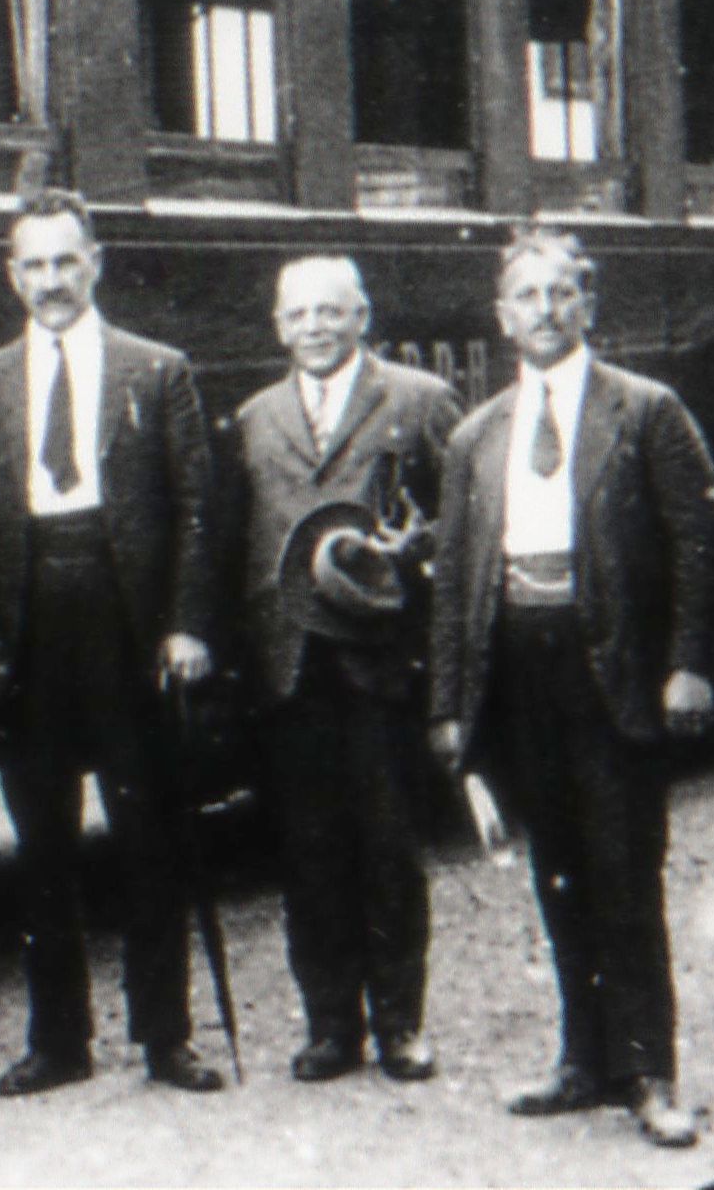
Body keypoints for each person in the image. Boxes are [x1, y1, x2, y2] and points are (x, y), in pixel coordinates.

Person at [426, 232, 714, 1149]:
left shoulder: (646, 410)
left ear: (588, 306)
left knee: (623, 872)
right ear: (501, 315)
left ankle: (648, 1072)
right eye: (527, 295)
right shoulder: (478, 435)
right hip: (520, 669)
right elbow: (453, 577)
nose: (545, 310)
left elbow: (701, 542)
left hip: (616, 670)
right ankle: (580, 1060)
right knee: (556, 872)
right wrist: (449, 704)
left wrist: (690, 663)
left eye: (562, 293)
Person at [0, 192, 226, 1098]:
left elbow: (196, 510)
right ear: (10, 273)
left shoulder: (155, 368)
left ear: (95, 261)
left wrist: (184, 623)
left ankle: (164, 1038)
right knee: (41, 851)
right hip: (29, 633)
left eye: (66, 261)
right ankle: (57, 1041)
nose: (51, 282)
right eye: (33, 265)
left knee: (148, 838)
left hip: (125, 625)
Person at [226, 254, 463, 1084]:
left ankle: (400, 1025)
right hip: (290, 670)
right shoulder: (254, 418)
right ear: (278, 324)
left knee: (389, 846)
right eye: (298, 314)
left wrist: (414, 549)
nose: (315, 328)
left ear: (362, 315)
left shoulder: (419, 400)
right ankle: (331, 1027)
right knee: (308, 853)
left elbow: (463, 521)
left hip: (380, 663)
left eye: (331, 311)